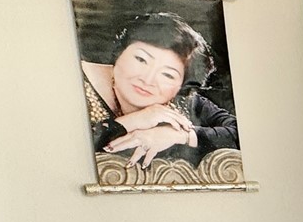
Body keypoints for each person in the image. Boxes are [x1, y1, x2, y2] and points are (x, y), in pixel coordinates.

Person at [82, 12, 238, 170]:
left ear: (182, 86)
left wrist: (179, 135)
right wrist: (132, 121)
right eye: (141, 59)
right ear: (119, 52)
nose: (147, 80)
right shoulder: (76, 80)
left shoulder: (184, 100)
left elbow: (240, 133)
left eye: (168, 75)